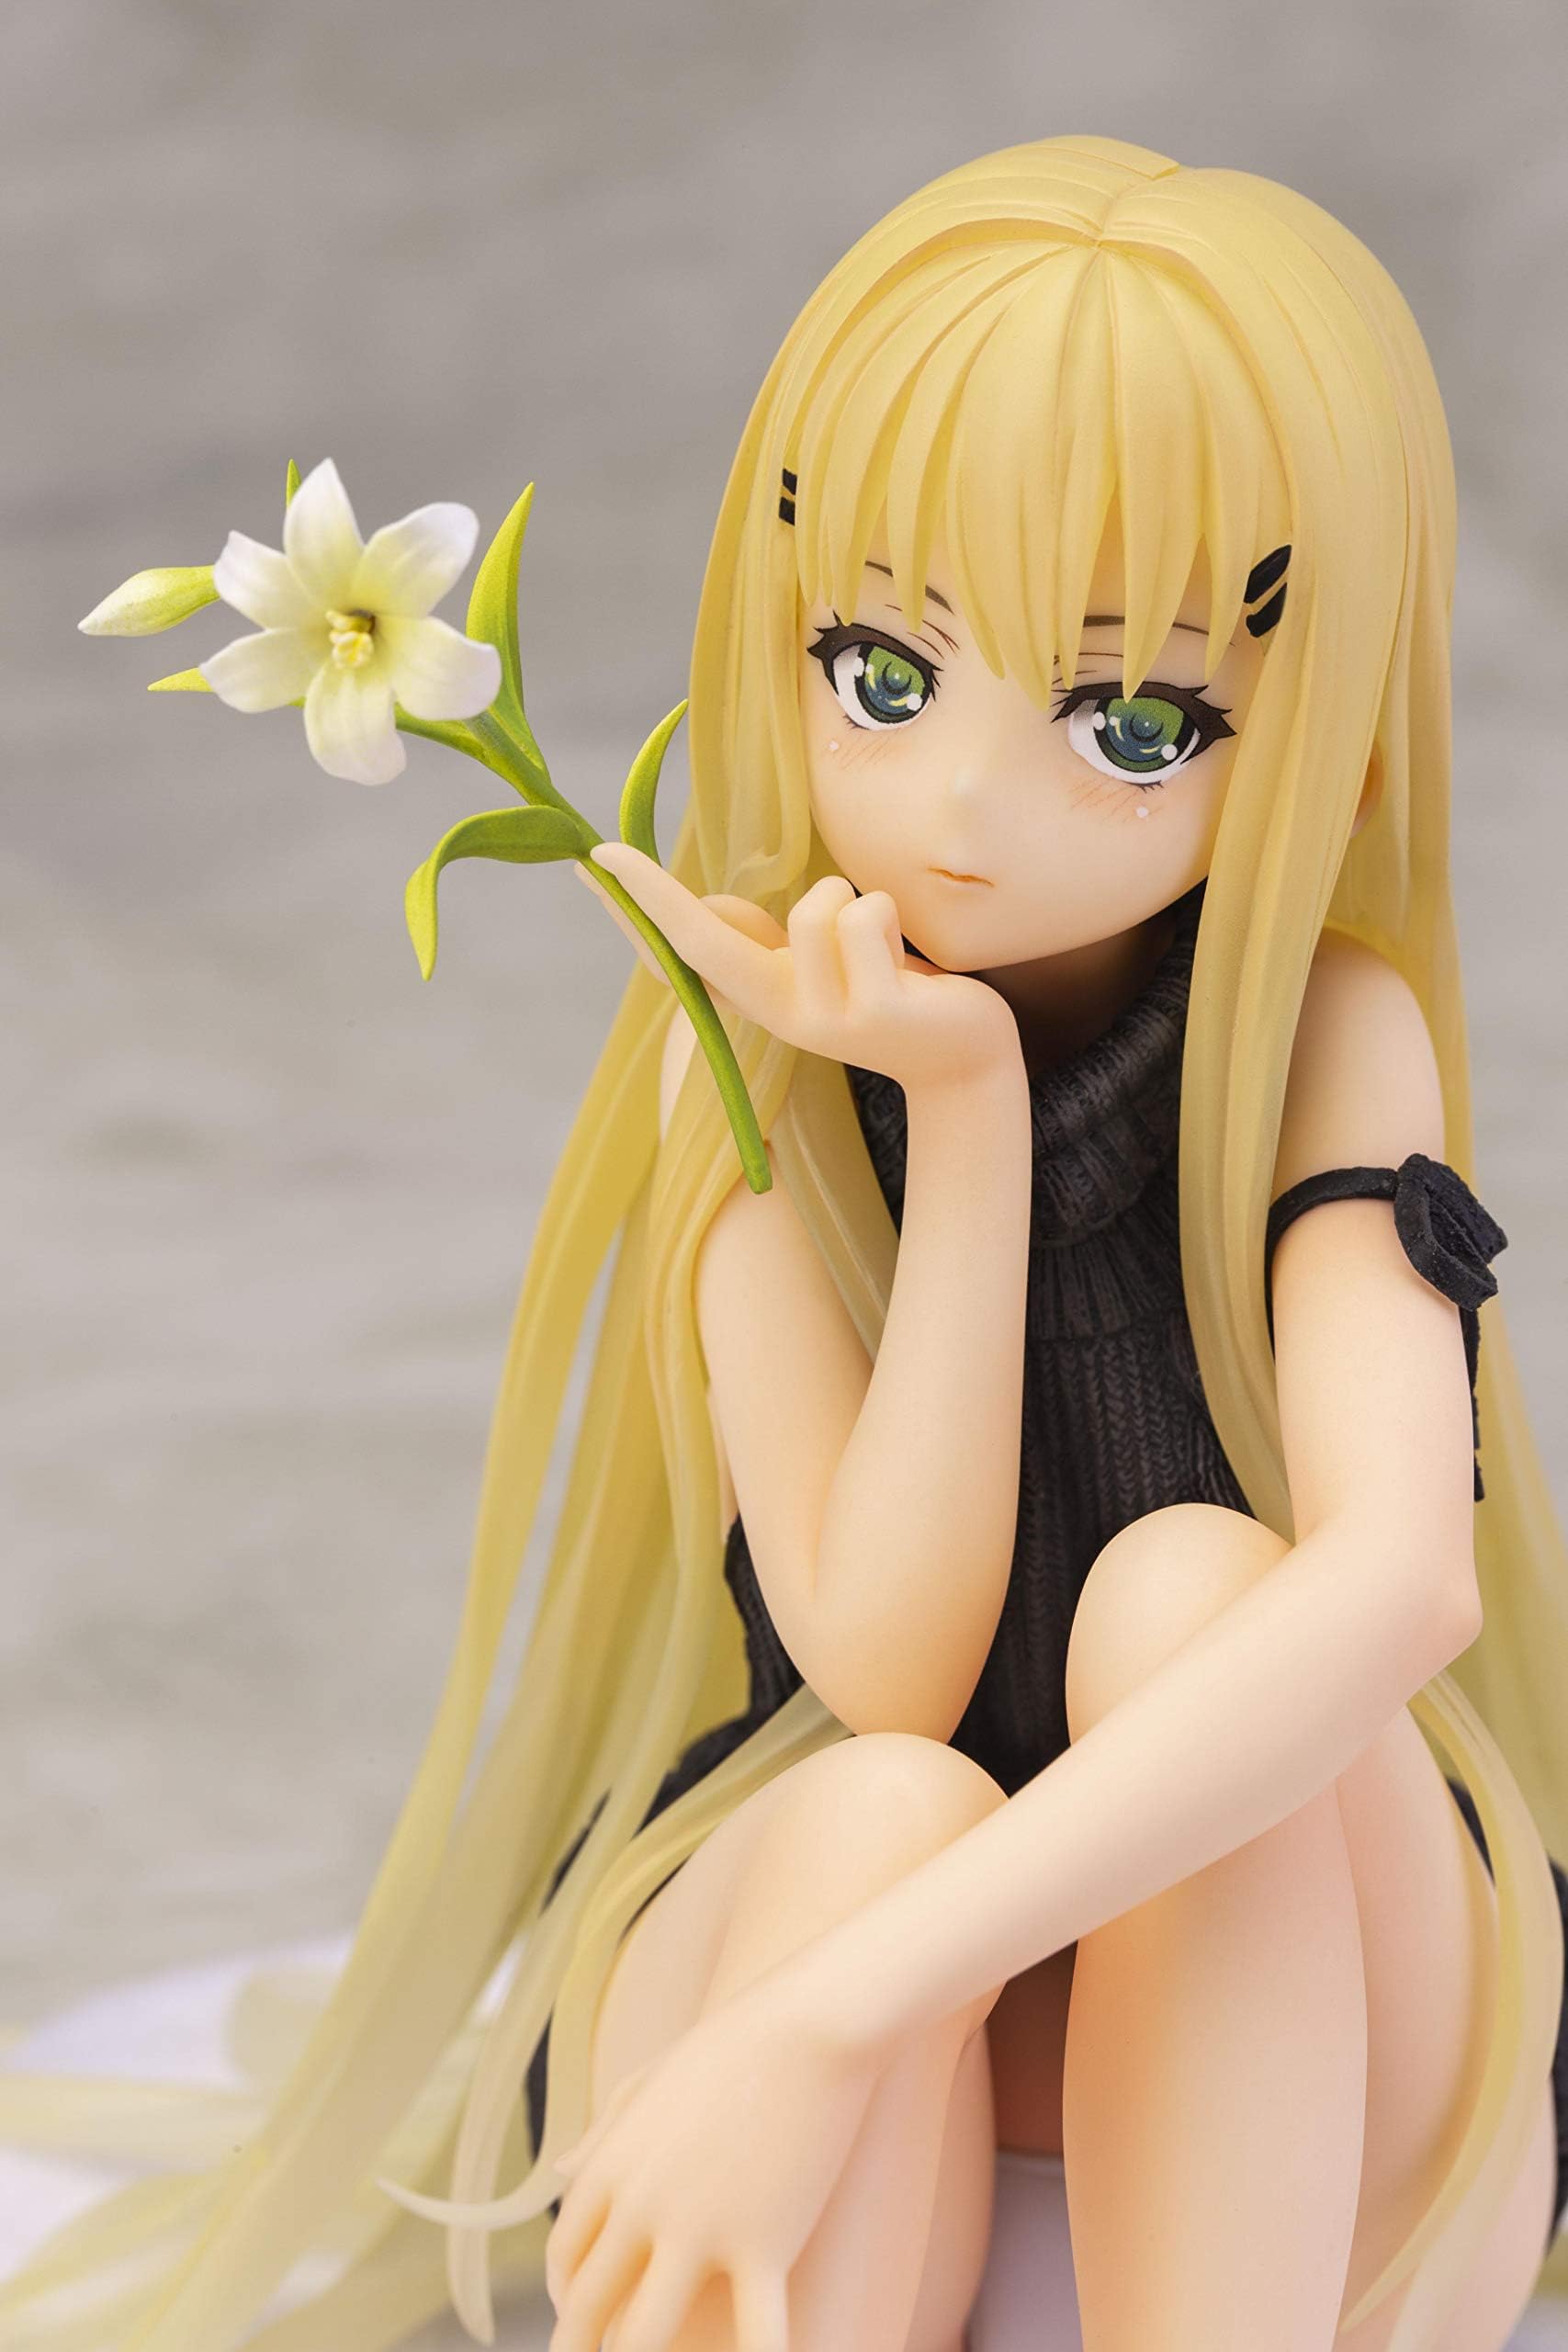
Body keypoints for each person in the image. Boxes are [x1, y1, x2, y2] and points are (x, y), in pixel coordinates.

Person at [10, 133, 1568, 2352]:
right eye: (883, 669)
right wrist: (960, 1124)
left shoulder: (1324, 1036)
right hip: (871, 2039)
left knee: (1197, 1595)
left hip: (1278, 2066)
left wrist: (835, 2017)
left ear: (1312, 718)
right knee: (878, 1803)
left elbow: (1399, 1581)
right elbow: (890, 1664)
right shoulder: (736, 1042)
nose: (960, 808)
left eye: (1126, 720)